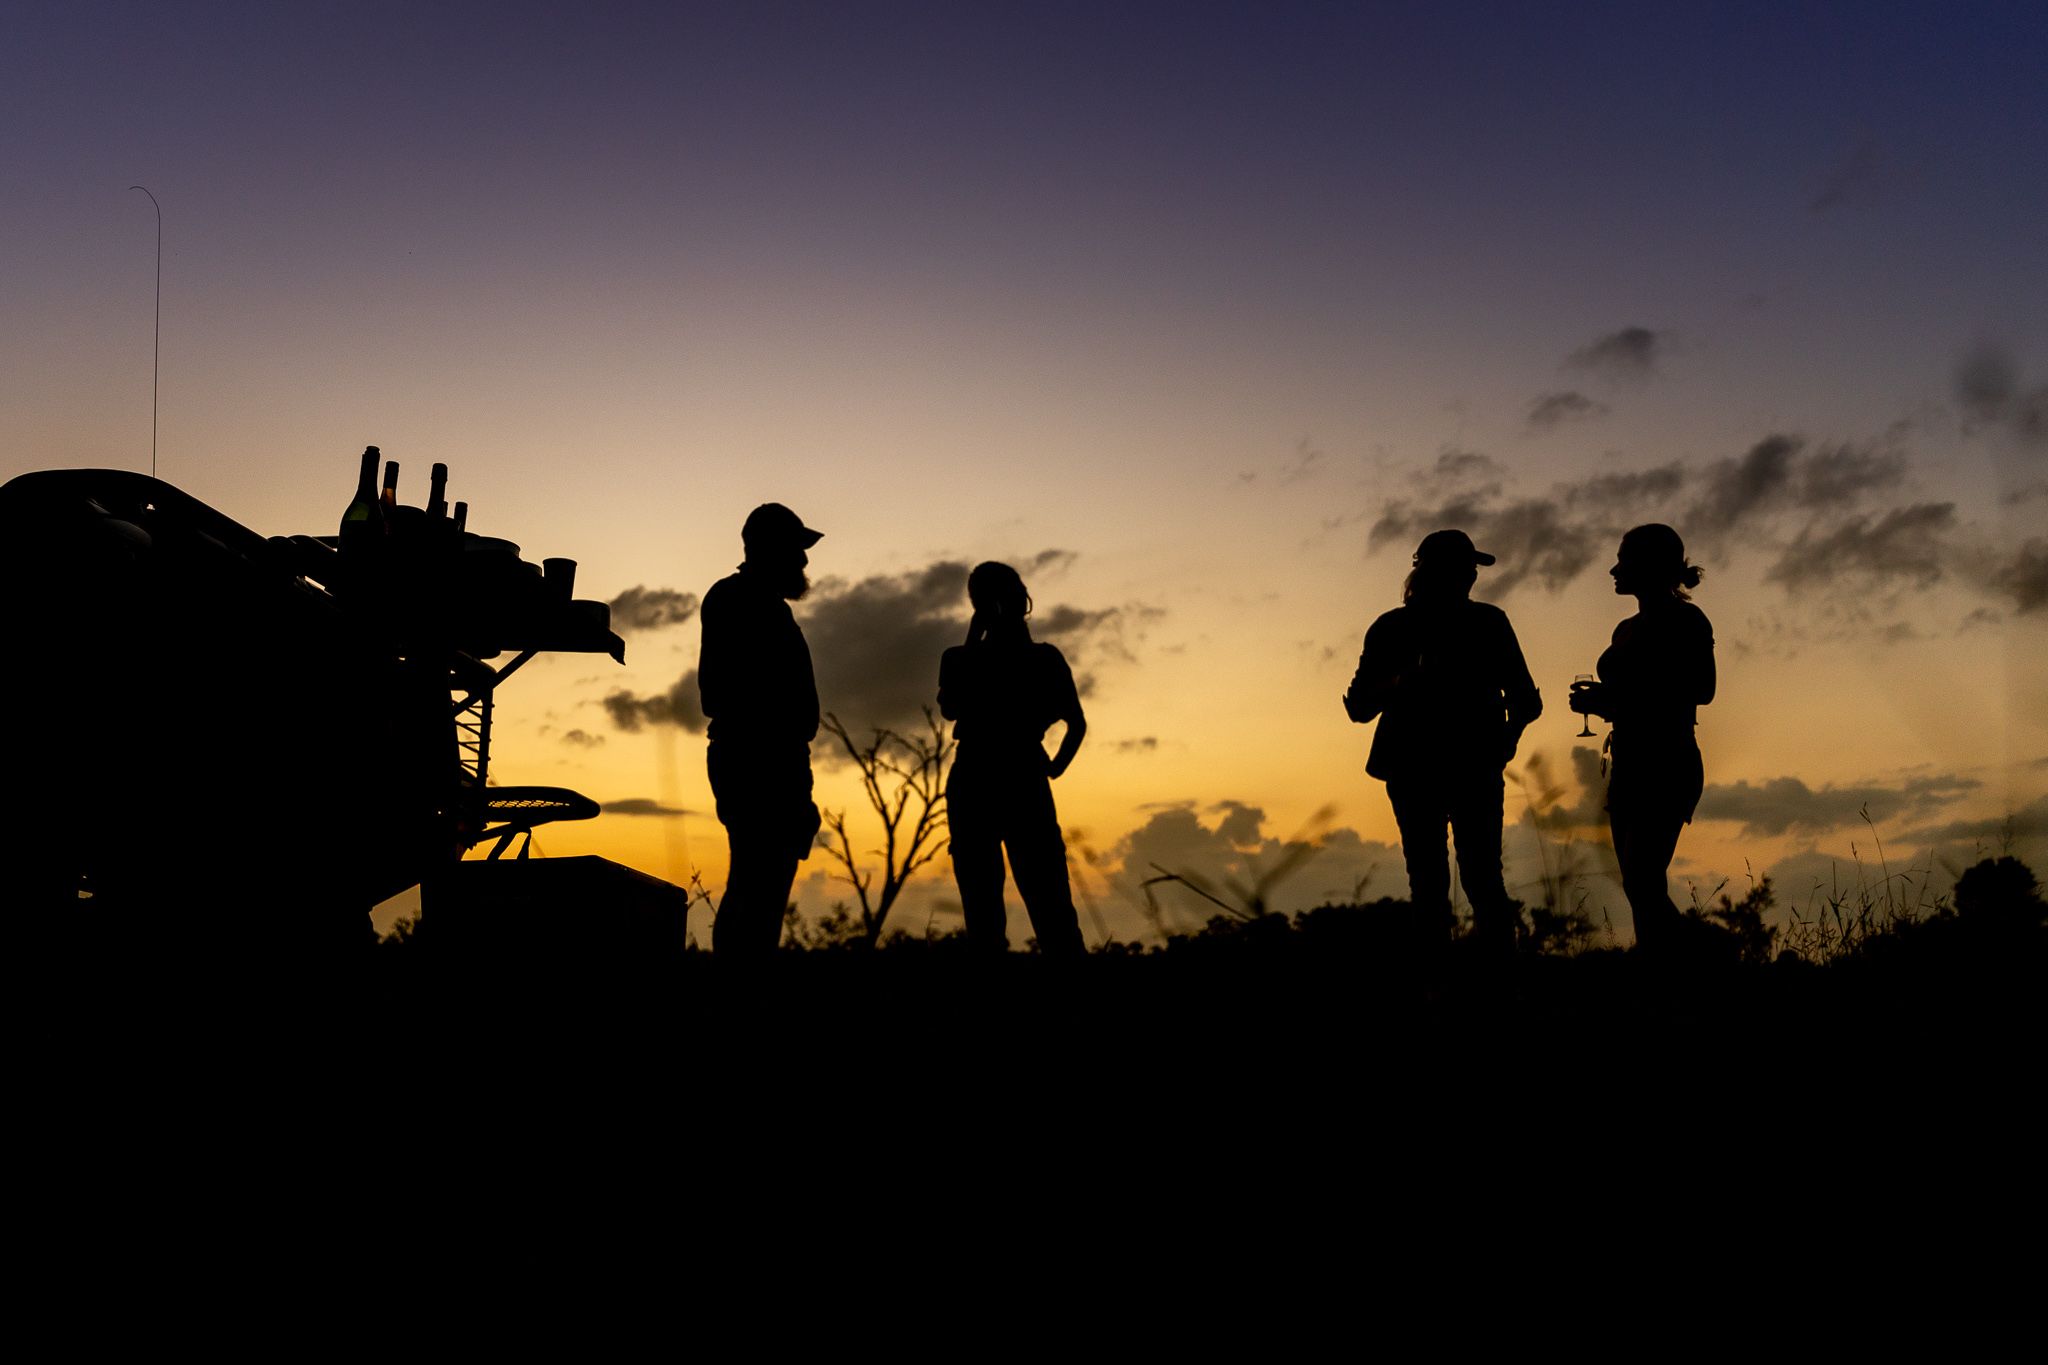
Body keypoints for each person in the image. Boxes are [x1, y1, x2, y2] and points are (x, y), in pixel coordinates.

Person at [1344, 530, 1542, 951]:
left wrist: (1506, 741)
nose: (1471, 575)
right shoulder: (1393, 628)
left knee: (1470, 877)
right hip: (1421, 769)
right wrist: (1401, 682)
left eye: (1471, 568)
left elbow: (1527, 700)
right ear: (1438, 573)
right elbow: (1359, 707)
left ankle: (1479, 982)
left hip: (1467, 766)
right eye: (1464, 567)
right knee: (1444, 879)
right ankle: (1457, 983)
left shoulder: (1487, 622)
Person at [1568, 524, 1714, 955]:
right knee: (1637, 883)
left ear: (1649, 566)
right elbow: (1631, 700)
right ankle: (1659, 969)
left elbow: (1702, 690)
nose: (1614, 569)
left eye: (1623, 560)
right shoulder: (1625, 628)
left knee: (1641, 878)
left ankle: (1706, 955)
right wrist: (1604, 705)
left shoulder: (1687, 620)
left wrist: (1613, 700)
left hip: (1668, 759)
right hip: (1629, 762)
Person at [937, 562, 1088, 957]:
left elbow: (1076, 724)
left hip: (997, 779)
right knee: (1013, 907)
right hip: (996, 780)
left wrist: (1054, 767)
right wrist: (1053, 766)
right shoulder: (964, 658)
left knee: (1039, 905)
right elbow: (951, 705)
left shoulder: (1040, 659)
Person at [697, 503, 824, 954]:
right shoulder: (741, 599)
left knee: (759, 887)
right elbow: (731, 694)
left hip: (770, 760)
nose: (805, 561)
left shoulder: (753, 601)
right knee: (756, 886)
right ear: (769, 550)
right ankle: (740, 996)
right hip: (760, 761)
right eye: (796, 550)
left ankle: (744, 992)